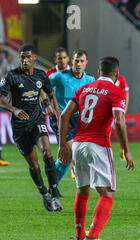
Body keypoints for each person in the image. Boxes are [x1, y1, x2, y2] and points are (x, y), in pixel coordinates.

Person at [58, 56, 135, 240]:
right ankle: (92, 238)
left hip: (78, 145)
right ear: (116, 74)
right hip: (98, 145)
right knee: (107, 192)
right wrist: (126, 150)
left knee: (83, 191)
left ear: (98, 72)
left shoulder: (84, 89)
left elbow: (64, 115)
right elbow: (119, 121)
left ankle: (79, 235)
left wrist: (62, 145)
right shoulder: (116, 91)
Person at [0, 44, 62, 211]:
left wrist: (51, 108)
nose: (25, 60)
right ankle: (44, 195)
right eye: (22, 57)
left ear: (34, 57)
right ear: (19, 58)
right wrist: (14, 109)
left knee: (47, 153)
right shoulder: (12, 76)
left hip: (37, 121)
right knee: (34, 165)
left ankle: (55, 194)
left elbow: (48, 93)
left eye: (28, 57)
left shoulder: (41, 75)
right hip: (20, 127)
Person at [49, 49, 96, 184]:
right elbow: (42, 85)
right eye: (76, 61)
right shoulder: (59, 76)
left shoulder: (90, 79)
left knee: (66, 157)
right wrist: (46, 103)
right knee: (70, 150)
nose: (79, 64)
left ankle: (52, 184)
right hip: (62, 118)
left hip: (78, 119)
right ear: (72, 61)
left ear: (86, 63)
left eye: (82, 61)